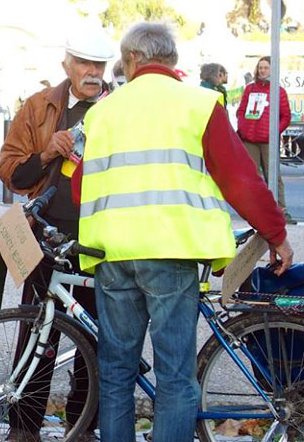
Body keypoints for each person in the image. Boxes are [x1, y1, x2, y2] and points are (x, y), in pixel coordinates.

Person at [73, 22, 293, 442]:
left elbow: (82, 184)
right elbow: (240, 179)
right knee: (175, 376)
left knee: (117, 373)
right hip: (171, 253)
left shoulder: (101, 112)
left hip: (113, 255)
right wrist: (275, 233)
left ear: (132, 60)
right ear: (171, 60)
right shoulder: (198, 103)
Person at [0, 23, 115, 442]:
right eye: (84, 62)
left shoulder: (121, 106)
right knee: (37, 331)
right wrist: (47, 152)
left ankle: (81, 425)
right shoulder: (39, 106)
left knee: (96, 332)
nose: (92, 71)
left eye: (99, 64)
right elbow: (11, 173)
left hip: (103, 233)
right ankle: (24, 427)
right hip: (46, 233)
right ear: (66, 63)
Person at [236, 56, 294, 223]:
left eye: (266, 68)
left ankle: (281, 209)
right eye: (260, 67)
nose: (262, 71)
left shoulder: (278, 91)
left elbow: (286, 116)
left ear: (272, 70)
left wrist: (273, 132)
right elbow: (241, 110)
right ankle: (253, 211)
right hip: (250, 139)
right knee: (251, 175)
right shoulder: (250, 89)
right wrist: (243, 128)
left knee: (273, 176)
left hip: (268, 140)